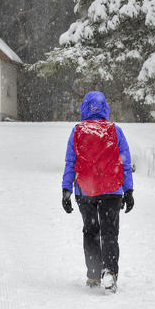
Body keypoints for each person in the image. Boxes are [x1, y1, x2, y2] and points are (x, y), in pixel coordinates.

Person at [62, 91, 134, 293]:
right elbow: (125, 162)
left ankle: (94, 274)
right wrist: (128, 190)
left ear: (84, 108)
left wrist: (66, 189)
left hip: (86, 191)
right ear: (105, 109)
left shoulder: (77, 131)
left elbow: (70, 162)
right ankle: (110, 272)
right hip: (112, 191)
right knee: (109, 232)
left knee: (91, 231)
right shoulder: (115, 130)